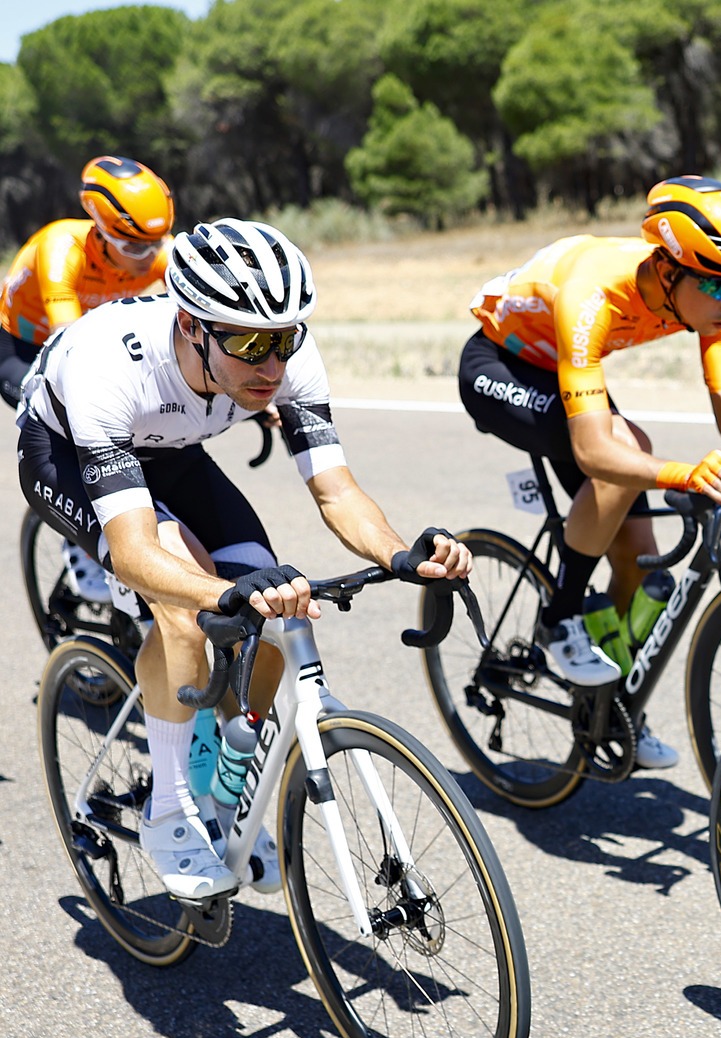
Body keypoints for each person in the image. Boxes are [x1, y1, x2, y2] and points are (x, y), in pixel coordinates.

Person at [15, 218, 471, 899]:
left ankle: (220, 793)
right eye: (253, 344)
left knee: (274, 644)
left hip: (171, 451)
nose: (274, 366)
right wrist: (214, 595)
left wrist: (402, 553)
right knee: (185, 609)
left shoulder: (282, 357)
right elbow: (139, 550)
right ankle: (167, 810)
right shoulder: (110, 367)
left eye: (286, 340)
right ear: (194, 326)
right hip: (65, 453)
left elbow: (337, 490)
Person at [457, 175, 721, 768]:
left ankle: (610, 705)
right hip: (501, 367)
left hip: (564, 376)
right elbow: (595, 452)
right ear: (669, 271)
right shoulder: (594, 291)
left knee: (640, 562)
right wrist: (684, 474)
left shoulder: (708, 303)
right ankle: (561, 616)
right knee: (626, 446)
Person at [3, 156, 176, 602]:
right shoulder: (62, 247)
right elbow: (70, 347)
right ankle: (76, 536)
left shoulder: (151, 249)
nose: (149, 259)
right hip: (22, 347)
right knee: (75, 427)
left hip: (89, 342)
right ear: (100, 228)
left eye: (156, 244)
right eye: (136, 248)